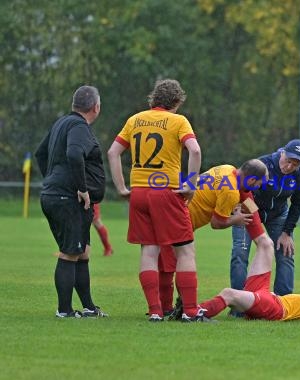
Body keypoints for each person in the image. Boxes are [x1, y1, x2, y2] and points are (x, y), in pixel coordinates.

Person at [107, 79, 202, 322]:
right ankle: (191, 311)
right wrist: (190, 184)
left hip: (138, 192)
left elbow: (113, 152)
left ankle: (156, 311)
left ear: (154, 99)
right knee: (185, 251)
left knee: (149, 251)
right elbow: (195, 150)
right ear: (177, 102)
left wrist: (121, 187)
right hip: (165, 191)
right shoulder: (178, 121)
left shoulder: (135, 119)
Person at [157, 160, 274, 318]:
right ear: (252, 180)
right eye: (260, 183)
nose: (261, 187)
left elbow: (247, 198)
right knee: (177, 264)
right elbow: (216, 223)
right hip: (177, 218)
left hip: (170, 210)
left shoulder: (228, 169)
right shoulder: (231, 191)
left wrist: (261, 237)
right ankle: (179, 308)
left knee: (168, 263)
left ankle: (170, 307)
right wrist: (236, 220)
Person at [35, 85, 108, 318]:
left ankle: (88, 308)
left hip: (57, 194)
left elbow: (40, 153)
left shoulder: (61, 123)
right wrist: (81, 188)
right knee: (69, 253)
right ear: (95, 107)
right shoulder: (78, 126)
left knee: (82, 252)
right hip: (68, 197)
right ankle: (64, 311)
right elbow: (75, 154)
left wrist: (52, 179)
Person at [230, 139, 300, 296]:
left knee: (286, 254)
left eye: (295, 164)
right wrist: (252, 217)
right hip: (248, 210)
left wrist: (287, 232)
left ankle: (283, 304)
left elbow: (298, 203)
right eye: (288, 161)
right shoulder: (263, 164)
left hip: (278, 215)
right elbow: (245, 190)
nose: (289, 167)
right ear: (283, 153)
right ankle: (239, 303)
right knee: (240, 253)